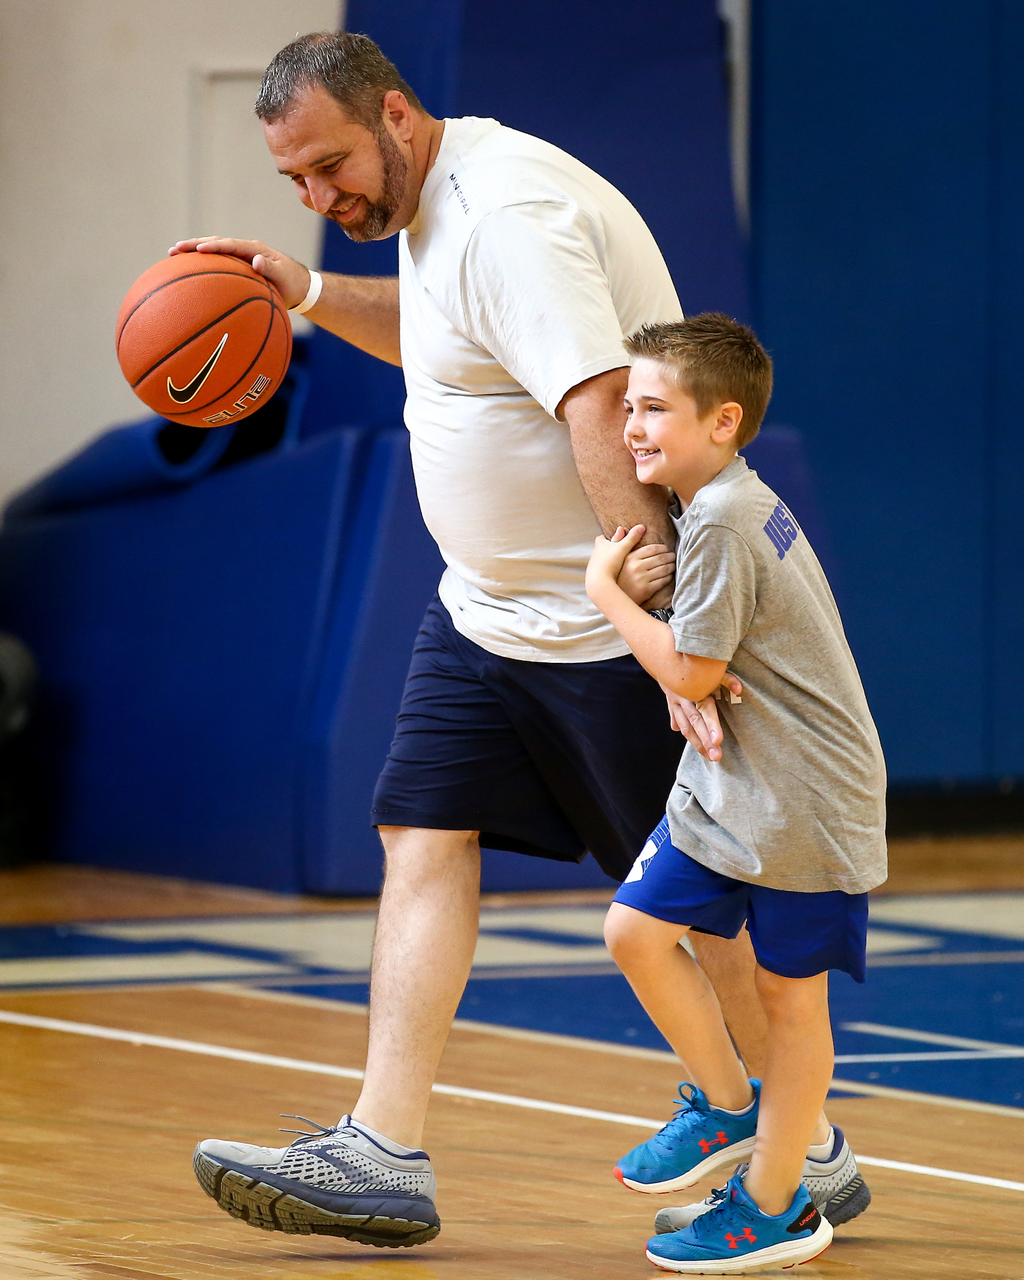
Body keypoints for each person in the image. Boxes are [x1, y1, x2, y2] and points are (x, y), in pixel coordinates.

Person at [178, 31, 870, 1250]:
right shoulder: (432, 211)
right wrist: (302, 291)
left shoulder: (505, 213)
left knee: (694, 916)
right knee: (421, 831)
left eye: (330, 165)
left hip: (599, 627)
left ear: (394, 114)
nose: (319, 196)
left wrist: (654, 604)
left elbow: (595, 396)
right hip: (485, 616)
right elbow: (455, 344)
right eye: (294, 181)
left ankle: (796, 1149)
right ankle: (381, 1150)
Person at [585, 314, 887, 1273]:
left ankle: (776, 1204)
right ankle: (726, 1106)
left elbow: (693, 671)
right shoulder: (722, 501)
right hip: (732, 784)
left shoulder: (721, 519)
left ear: (723, 421)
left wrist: (610, 596)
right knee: (634, 930)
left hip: (803, 798)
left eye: (653, 408)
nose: (631, 427)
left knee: (790, 1006)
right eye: (628, 405)